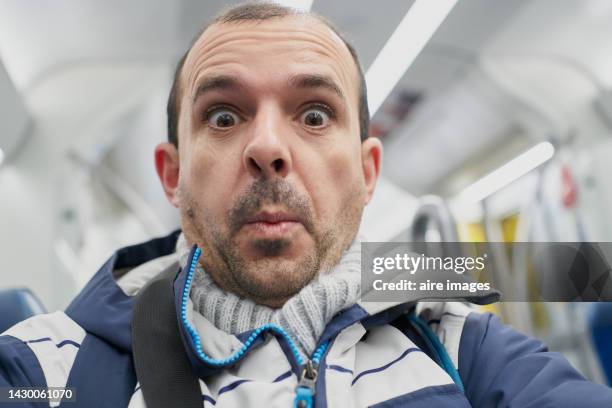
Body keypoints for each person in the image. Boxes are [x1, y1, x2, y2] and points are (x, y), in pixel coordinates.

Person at [1, 2, 611, 407]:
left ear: (368, 173)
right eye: (223, 115)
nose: (267, 146)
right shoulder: (60, 368)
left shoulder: (450, 338)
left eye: (315, 114)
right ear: (174, 175)